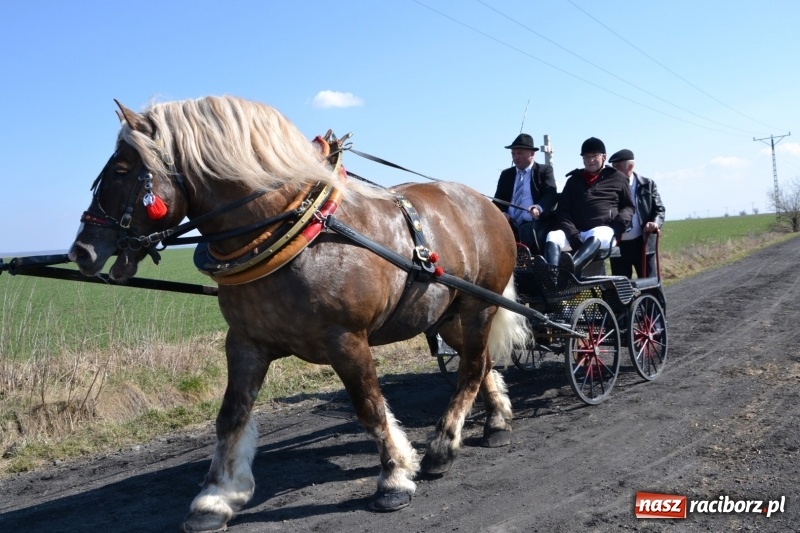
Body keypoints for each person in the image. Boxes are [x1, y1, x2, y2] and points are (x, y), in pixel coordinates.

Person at [544, 137, 634, 276]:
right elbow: (563, 211)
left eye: (594, 156)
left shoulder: (618, 178)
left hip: (606, 232)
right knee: (553, 236)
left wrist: (619, 225)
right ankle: (551, 278)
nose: (590, 160)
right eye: (586, 157)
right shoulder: (573, 181)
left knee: (597, 232)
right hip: (577, 234)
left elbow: (628, 207)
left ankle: (570, 270)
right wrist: (573, 234)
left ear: (604, 157)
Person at [493, 133, 558, 253]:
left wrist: (538, 208)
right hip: (509, 224)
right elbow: (497, 200)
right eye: (513, 153)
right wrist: (501, 213)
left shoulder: (544, 171)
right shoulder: (506, 175)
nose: (516, 157)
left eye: (520, 153)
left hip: (534, 225)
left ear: (532, 154)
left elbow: (551, 195)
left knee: (526, 232)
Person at [608, 149, 665, 278]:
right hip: (619, 245)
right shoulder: (609, 188)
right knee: (621, 289)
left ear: (631, 166)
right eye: (613, 167)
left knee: (650, 285)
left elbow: (659, 209)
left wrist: (655, 223)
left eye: (618, 167)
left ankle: (652, 299)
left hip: (643, 244)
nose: (614, 170)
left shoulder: (647, 184)